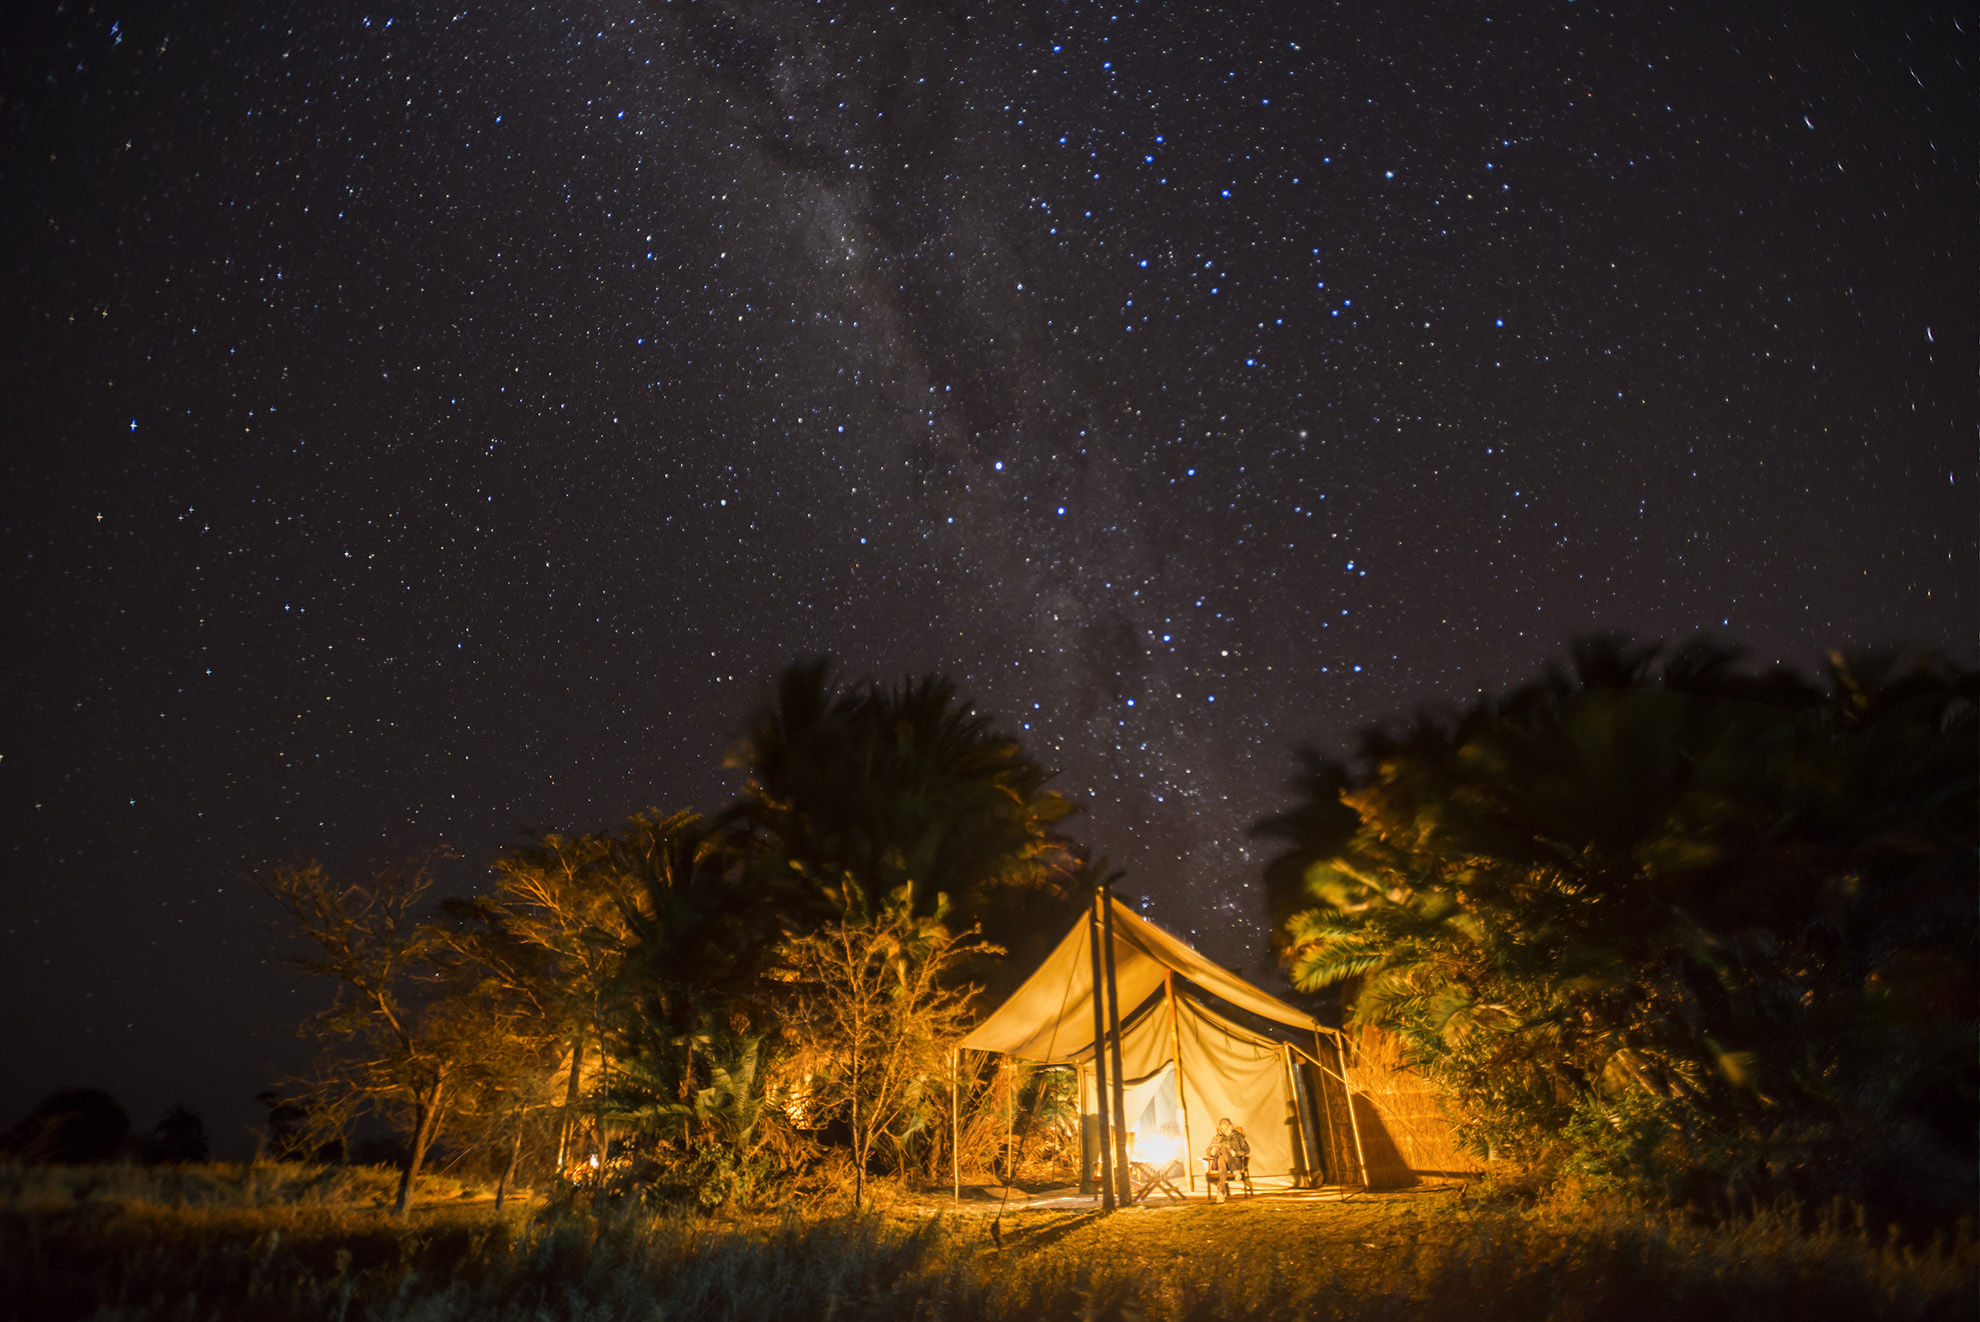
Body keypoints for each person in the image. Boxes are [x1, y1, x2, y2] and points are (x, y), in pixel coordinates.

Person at [1204, 1117, 1250, 1203]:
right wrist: (1212, 1152)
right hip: (1227, 1165)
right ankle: (1235, 1171)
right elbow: (1207, 1151)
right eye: (1222, 1128)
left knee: (1222, 1155)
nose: (1224, 1130)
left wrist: (1235, 1153)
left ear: (1231, 1126)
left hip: (1235, 1161)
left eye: (1226, 1128)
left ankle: (1220, 1193)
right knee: (1222, 1152)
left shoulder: (1238, 1136)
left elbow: (1247, 1150)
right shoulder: (1217, 1138)